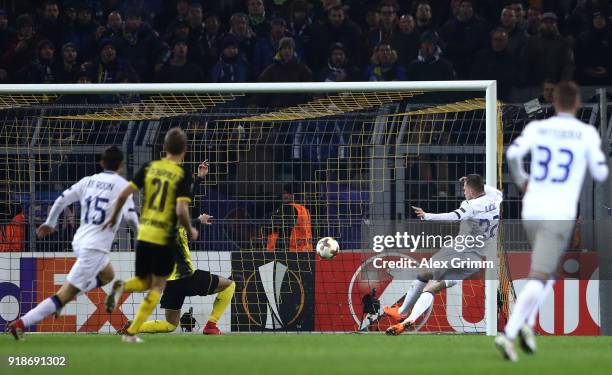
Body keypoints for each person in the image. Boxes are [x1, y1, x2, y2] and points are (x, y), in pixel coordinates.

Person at [496, 81, 608, 361]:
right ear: (578, 103)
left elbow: (512, 154)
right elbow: (600, 171)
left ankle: (526, 325)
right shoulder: (585, 133)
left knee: (545, 275)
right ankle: (509, 333)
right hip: (558, 210)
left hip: (531, 207)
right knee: (541, 276)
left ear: (554, 102)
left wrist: (522, 181)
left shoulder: (537, 128)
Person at [7, 147, 139, 340]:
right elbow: (130, 216)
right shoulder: (123, 186)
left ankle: (64, 300)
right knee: (64, 294)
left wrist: (50, 223)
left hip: (81, 240)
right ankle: (20, 324)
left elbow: (61, 200)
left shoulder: (88, 181)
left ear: (102, 163)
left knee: (108, 274)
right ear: (121, 165)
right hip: (94, 247)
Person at [103, 127, 198, 343]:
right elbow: (181, 210)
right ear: (185, 149)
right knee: (157, 286)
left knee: (146, 282)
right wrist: (191, 229)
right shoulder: (182, 175)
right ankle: (131, 330)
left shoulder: (149, 167)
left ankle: (124, 290)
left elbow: (124, 193)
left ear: (164, 148)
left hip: (145, 232)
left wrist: (113, 218)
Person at [122, 161, 236, 335]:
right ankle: (211, 326)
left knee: (170, 324)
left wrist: (198, 216)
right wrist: (199, 180)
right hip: (188, 277)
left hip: (170, 283)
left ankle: (134, 327)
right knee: (229, 285)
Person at [384, 175, 502, 335]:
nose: (463, 191)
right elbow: (486, 188)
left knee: (424, 272)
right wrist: (473, 181)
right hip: (476, 259)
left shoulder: (470, 205)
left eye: (465, 188)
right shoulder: (496, 197)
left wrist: (427, 216)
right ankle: (407, 320)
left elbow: (453, 216)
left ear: (472, 190)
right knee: (434, 286)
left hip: (458, 250)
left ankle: (403, 312)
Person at [266, 184, 313, 252]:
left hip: (289, 252)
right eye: (284, 193)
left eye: (289, 193)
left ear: (295, 195)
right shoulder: (304, 209)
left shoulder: (288, 207)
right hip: (304, 250)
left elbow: (274, 225)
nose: (285, 196)